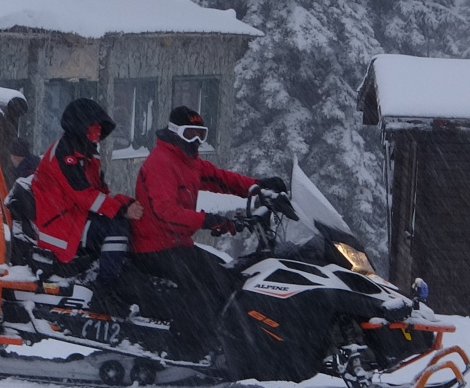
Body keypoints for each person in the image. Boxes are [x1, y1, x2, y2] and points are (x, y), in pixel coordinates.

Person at [131, 105, 286, 359]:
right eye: (190, 133)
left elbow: (221, 179)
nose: (195, 141)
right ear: (175, 132)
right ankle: (188, 347)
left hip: (175, 243)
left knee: (228, 274)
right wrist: (207, 220)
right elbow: (165, 212)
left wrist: (258, 186)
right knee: (210, 283)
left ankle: (218, 339)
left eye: (200, 134)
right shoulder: (161, 163)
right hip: (153, 246)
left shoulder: (188, 162)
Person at [31, 98, 143, 284]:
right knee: (116, 227)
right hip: (60, 224)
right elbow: (82, 194)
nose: (97, 132)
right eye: (93, 127)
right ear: (79, 126)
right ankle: (107, 287)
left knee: (125, 223)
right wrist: (121, 210)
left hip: (77, 217)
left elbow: (100, 193)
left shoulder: (89, 154)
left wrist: (127, 202)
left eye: (99, 128)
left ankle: (120, 274)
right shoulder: (64, 152)